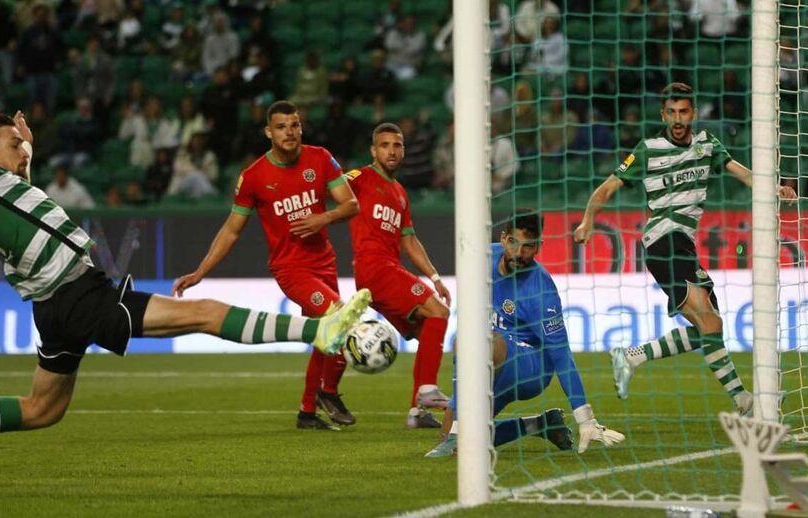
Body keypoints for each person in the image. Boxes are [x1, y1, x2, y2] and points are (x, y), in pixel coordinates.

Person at [0, 111, 371, 444]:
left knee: (41, 411)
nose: (22, 150)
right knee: (203, 314)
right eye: (12, 144)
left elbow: (19, 179)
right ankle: (318, 329)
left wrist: (26, 146)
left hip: (57, 305)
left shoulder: (3, 185)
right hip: (79, 296)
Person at [573, 82, 798, 415]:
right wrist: (588, 221)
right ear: (663, 114)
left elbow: (743, 173)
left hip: (684, 243)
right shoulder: (647, 149)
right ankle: (745, 403)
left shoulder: (708, 144)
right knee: (710, 323)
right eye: (672, 112)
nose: (678, 118)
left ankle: (635, 357)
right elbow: (608, 187)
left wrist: (774, 187)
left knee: (711, 326)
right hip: (664, 240)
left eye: (684, 111)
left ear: (693, 113)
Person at [173, 101, 361, 431]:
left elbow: (351, 204)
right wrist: (200, 271)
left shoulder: (320, 158)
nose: (289, 132)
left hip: (324, 262)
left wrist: (324, 217)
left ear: (301, 128)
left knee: (328, 330)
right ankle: (321, 398)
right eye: (281, 127)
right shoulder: (254, 177)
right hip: (291, 269)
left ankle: (313, 406)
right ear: (268, 132)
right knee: (335, 316)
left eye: (294, 125)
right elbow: (231, 231)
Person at [426, 210, 624, 457]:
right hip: (495, 362)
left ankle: (456, 431)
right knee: (460, 445)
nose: (519, 253)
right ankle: (540, 424)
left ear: (539, 246)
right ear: (504, 238)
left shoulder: (541, 290)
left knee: (473, 340)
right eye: (514, 243)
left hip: (532, 367)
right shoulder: (483, 259)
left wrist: (585, 417)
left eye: (528, 246)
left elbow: (561, 355)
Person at [345, 123, 453, 429]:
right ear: (373, 150)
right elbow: (329, 185)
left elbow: (409, 239)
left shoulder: (400, 192)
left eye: (397, 145)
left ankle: (417, 413)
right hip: (374, 267)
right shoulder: (361, 178)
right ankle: (427, 390)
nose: (392, 151)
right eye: (385, 145)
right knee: (439, 312)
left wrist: (434, 277)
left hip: (388, 269)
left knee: (428, 331)